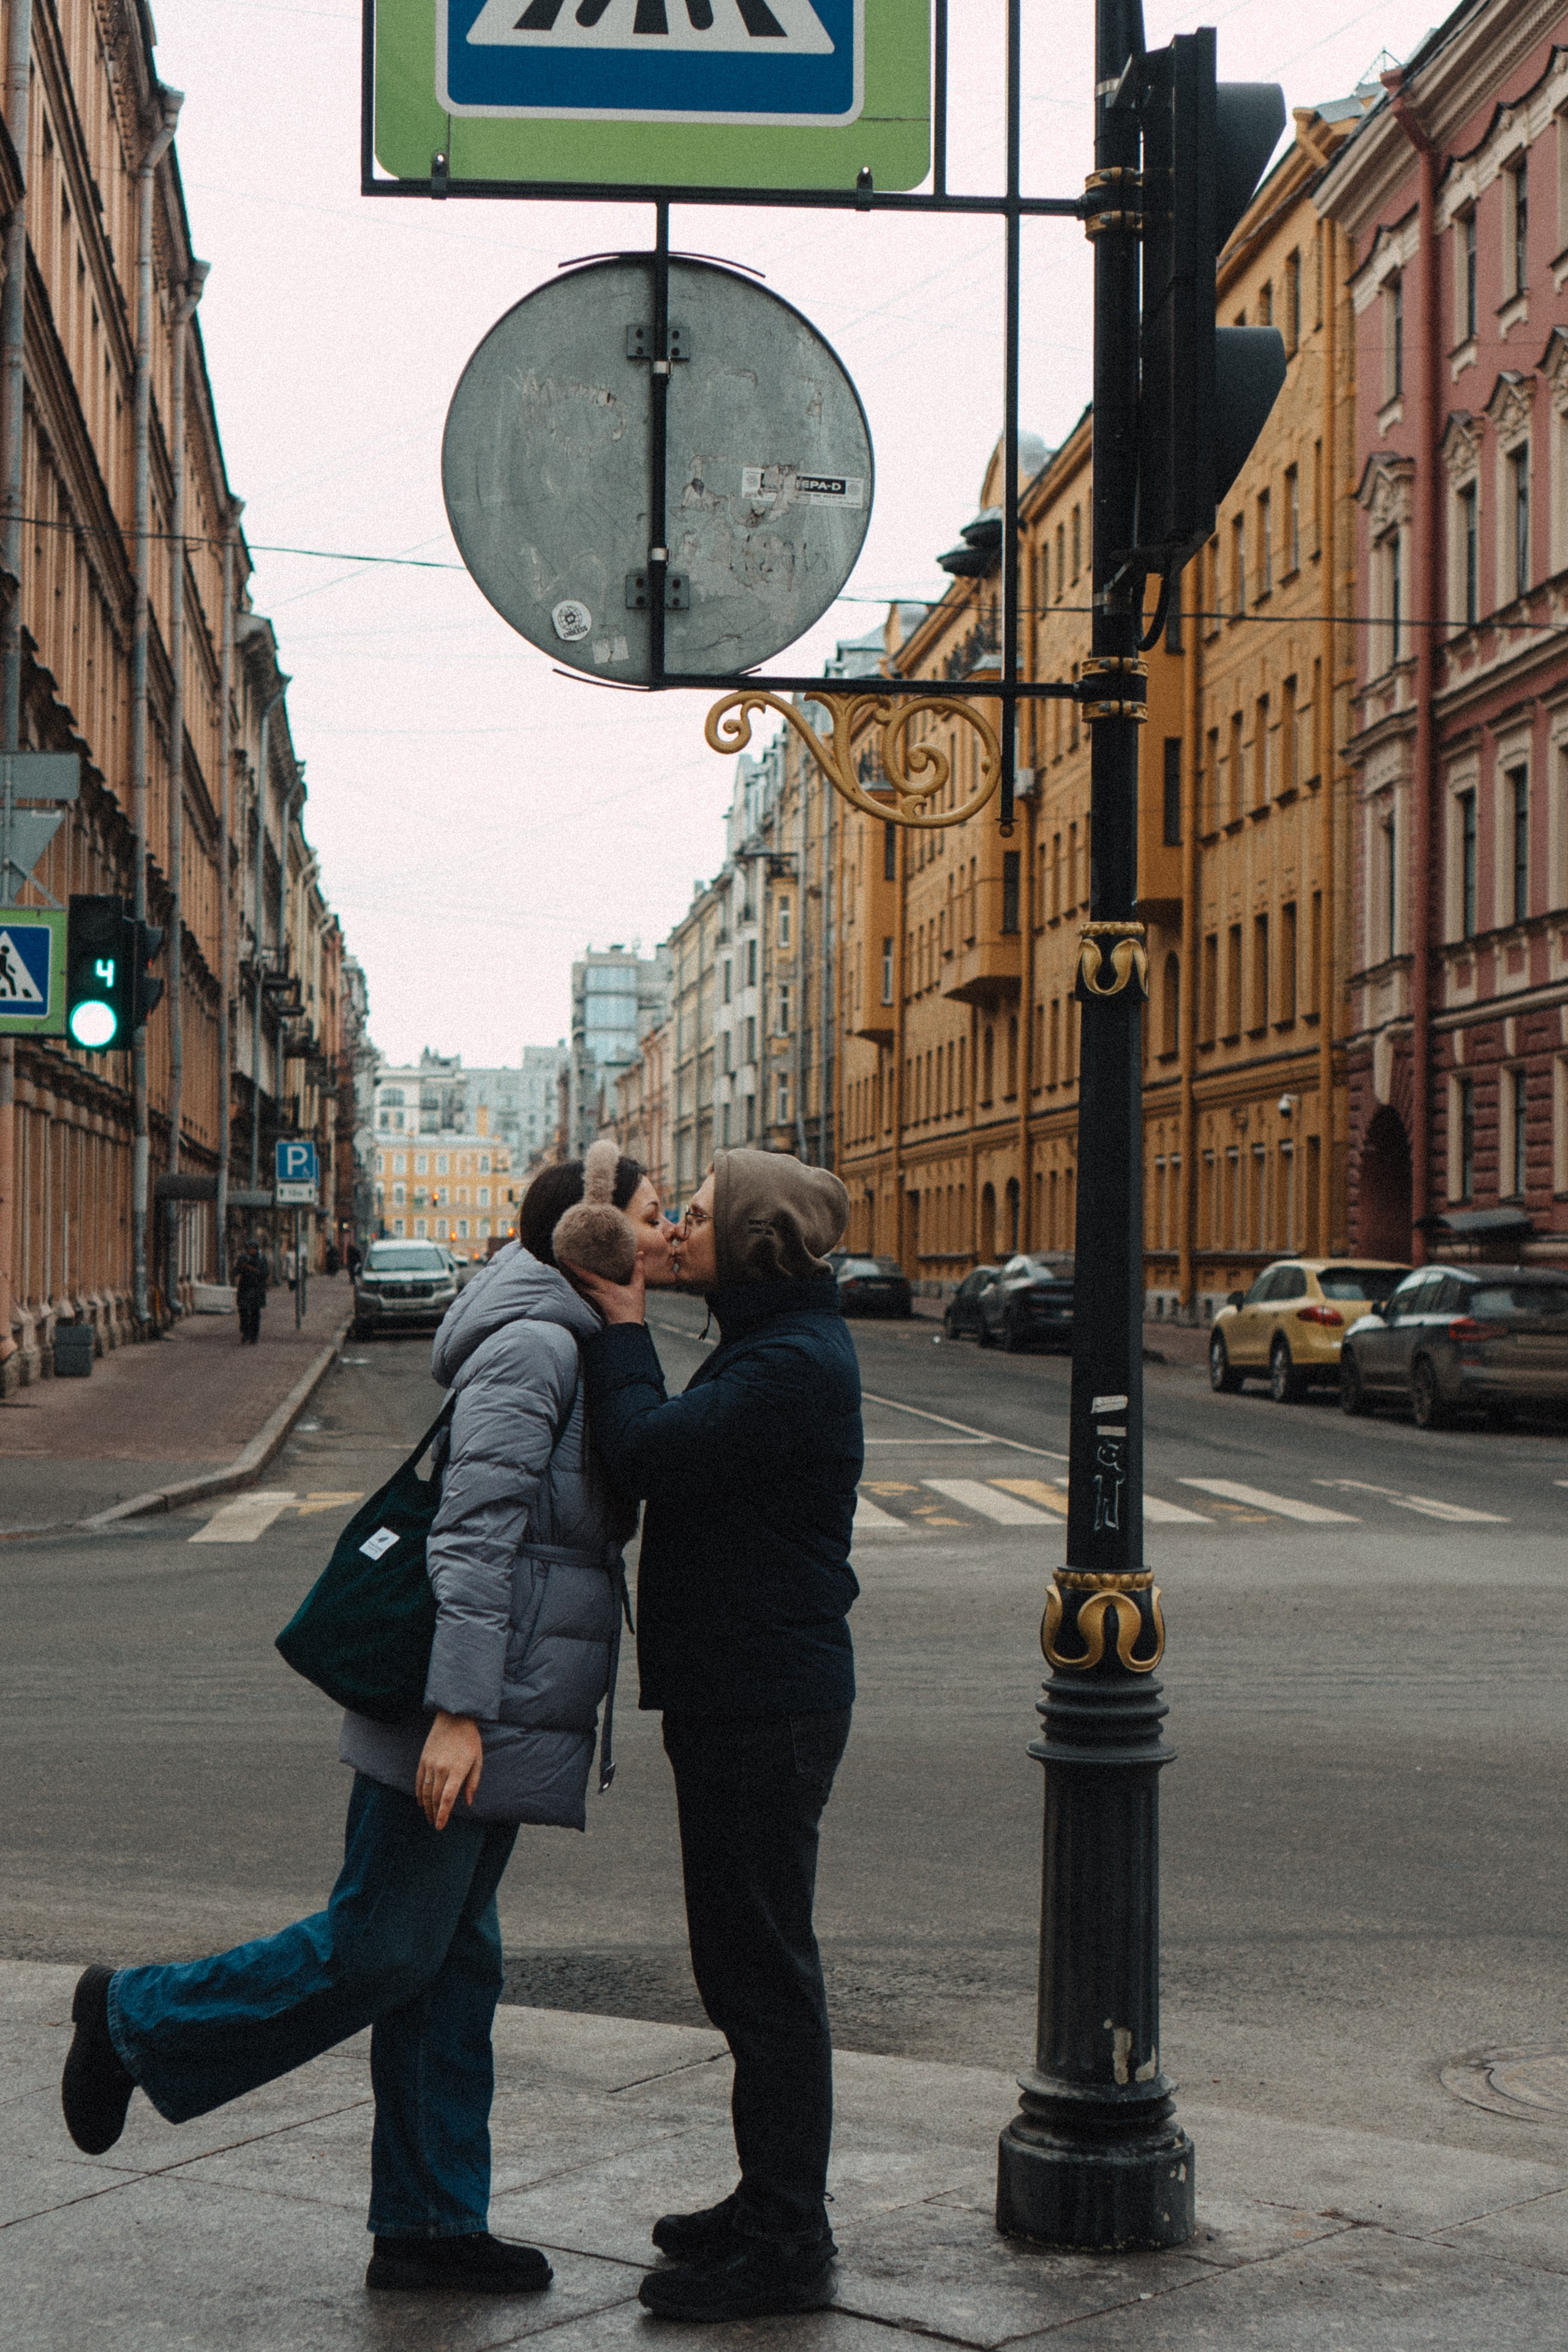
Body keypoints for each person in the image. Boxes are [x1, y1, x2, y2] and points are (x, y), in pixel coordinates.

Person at [60, 1153, 674, 2299]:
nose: (669, 1229)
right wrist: (458, 1712)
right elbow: (475, 1538)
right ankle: (133, 2019)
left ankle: (430, 2224)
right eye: (652, 1216)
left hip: (500, 1711)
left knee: (452, 1968)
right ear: (593, 1239)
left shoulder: (581, 1343)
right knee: (382, 1947)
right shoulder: (538, 1350)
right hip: (458, 1713)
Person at [561, 1148, 861, 2324]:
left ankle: (787, 2243)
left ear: (753, 1243)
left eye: (694, 1216)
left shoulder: (791, 1364)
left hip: (763, 1701)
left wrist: (625, 1326)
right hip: (743, 1692)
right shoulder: (772, 1342)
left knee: (764, 1975)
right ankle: (768, 2200)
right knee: (743, 1968)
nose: (673, 1230)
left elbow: (647, 1452)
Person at [234, 1242, 267, 1345]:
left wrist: (254, 1270)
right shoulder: (243, 1258)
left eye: (253, 1249)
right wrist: (242, 1267)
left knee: (255, 1313)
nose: (251, 1251)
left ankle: (254, 1336)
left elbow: (265, 1273)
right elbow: (236, 1271)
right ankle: (245, 1333)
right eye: (249, 1249)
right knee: (243, 1311)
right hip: (244, 1288)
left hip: (256, 1289)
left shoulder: (261, 1259)